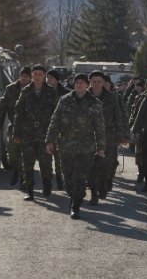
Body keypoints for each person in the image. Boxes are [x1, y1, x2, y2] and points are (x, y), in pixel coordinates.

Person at [45, 73, 105, 220]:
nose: (79, 85)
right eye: (77, 82)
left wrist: (100, 147)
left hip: (85, 147)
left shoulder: (94, 103)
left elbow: (100, 127)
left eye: (82, 83)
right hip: (66, 146)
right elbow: (55, 121)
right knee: (68, 180)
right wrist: (49, 141)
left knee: (80, 177)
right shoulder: (64, 100)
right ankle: (74, 195)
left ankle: (75, 205)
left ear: (87, 85)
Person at [13, 65, 59, 200]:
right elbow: (19, 113)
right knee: (27, 162)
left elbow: (56, 114)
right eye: (35, 74)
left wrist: (55, 134)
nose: (37, 77)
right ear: (32, 75)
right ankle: (29, 190)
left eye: (40, 74)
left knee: (46, 162)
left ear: (44, 76)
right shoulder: (26, 91)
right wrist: (16, 132)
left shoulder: (51, 92)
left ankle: (46, 183)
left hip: (45, 132)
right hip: (28, 132)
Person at [87, 70, 128, 203]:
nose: (97, 84)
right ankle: (94, 193)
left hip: (107, 136)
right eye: (94, 81)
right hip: (88, 136)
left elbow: (117, 116)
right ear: (90, 82)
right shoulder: (85, 96)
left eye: (99, 82)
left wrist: (120, 134)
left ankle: (103, 184)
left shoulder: (111, 97)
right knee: (91, 166)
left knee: (105, 165)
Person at [0, 66, 32, 189]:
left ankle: (23, 179)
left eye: (26, 76)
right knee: (13, 153)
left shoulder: (36, 89)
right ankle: (16, 170)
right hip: (15, 125)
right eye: (22, 76)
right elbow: (2, 109)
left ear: (30, 77)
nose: (23, 78)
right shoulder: (11, 89)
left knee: (27, 154)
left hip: (30, 128)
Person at [46, 68, 68, 191]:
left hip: (61, 129)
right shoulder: (42, 92)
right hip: (46, 129)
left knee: (60, 158)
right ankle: (48, 181)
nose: (48, 80)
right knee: (46, 158)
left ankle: (60, 181)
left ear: (56, 79)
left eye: (51, 78)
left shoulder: (65, 93)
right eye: (47, 78)